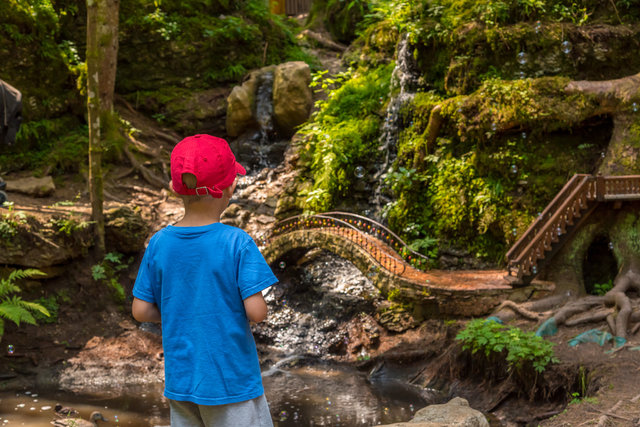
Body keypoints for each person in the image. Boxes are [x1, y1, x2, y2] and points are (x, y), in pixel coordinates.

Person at [131, 134, 277, 427]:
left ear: (176, 189)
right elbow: (257, 313)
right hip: (231, 383)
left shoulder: (159, 243)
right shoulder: (237, 242)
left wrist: (181, 311)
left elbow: (141, 311)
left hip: (182, 384)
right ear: (230, 186)